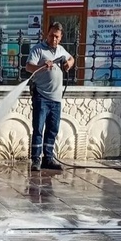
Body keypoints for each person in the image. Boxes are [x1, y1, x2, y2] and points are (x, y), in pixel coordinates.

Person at [25, 22, 75, 171]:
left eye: (57, 37)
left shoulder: (61, 50)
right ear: (46, 35)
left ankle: (48, 158)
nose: (54, 39)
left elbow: (71, 58)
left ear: (61, 38)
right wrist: (42, 66)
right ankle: (36, 159)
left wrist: (69, 64)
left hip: (56, 98)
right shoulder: (38, 50)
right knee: (38, 128)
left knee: (53, 129)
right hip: (41, 96)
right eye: (51, 35)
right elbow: (28, 67)